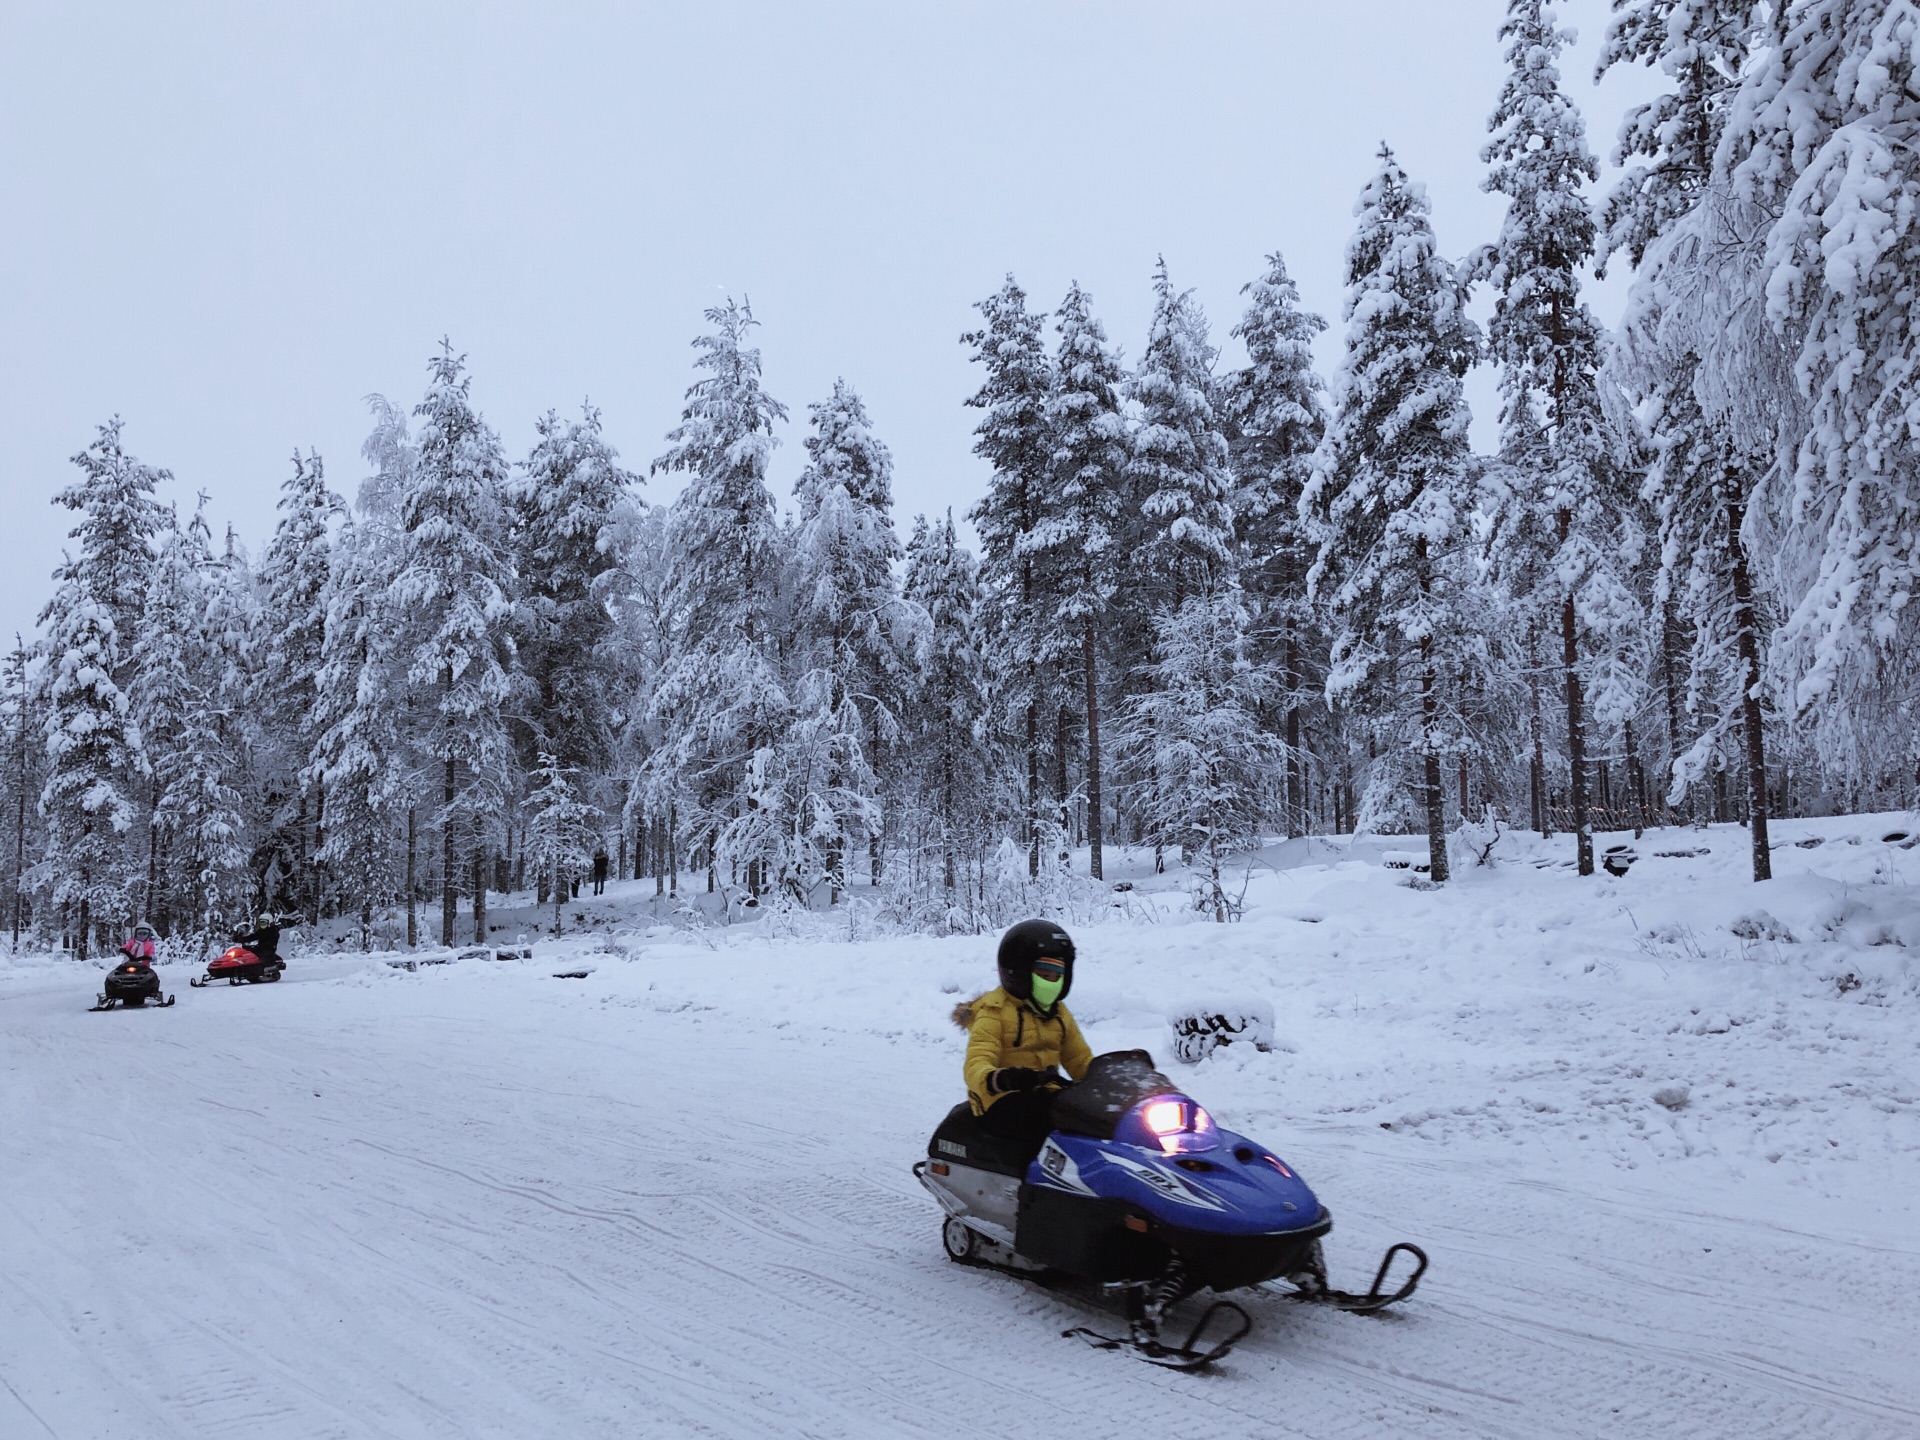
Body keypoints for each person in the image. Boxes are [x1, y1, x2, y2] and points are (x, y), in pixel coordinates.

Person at [955, 919, 1093, 1154]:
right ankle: (1038, 1189)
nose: (1051, 980)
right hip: (998, 1101)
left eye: (1058, 973)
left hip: (1044, 1095)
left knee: (1094, 1121)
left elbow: (1080, 1061)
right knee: (1045, 1122)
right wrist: (1000, 1078)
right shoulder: (993, 1011)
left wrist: (1113, 1080)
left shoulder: (1059, 1013)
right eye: (1043, 972)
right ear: (1017, 970)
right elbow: (976, 1063)